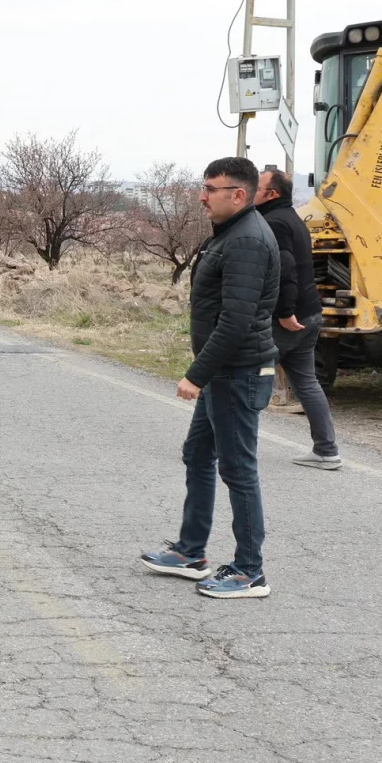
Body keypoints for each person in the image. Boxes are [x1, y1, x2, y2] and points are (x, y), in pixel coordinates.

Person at [141, 156, 279, 599]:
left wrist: (196, 375)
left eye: (210, 188)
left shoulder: (247, 241)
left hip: (237, 373)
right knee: (198, 455)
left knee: (239, 471)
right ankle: (191, 552)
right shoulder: (231, 234)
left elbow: (236, 321)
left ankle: (249, 572)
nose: (202, 196)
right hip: (224, 373)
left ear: (238, 194)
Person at [256, 167, 341, 469]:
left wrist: (284, 312)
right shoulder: (294, 219)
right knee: (307, 383)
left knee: (246, 375)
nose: (252, 190)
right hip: (310, 314)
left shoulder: (274, 222)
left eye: (258, 186)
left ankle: (221, 446)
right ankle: (326, 451)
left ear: (272, 193)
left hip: (290, 319)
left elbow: (285, 267)